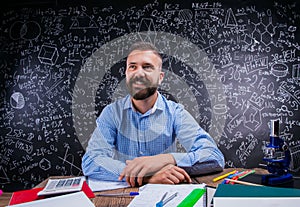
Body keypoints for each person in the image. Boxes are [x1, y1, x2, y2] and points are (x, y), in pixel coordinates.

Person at [82, 41, 224, 187]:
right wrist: (145, 177)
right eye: (132, 67)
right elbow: (91, 160)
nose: (138, 73)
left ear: (160, 77)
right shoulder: (112, 113)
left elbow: (213, 156)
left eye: (147, 67)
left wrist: (165, 159)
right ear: (126, 73)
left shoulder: (175, 113)